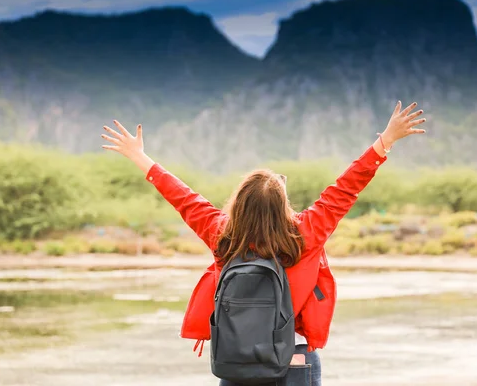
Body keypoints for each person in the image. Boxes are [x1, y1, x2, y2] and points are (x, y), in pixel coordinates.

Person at [101, 101, 426, 385]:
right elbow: (345, 188)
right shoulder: (305, 233)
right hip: (294, 358)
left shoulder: (222, 235)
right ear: (283, 204)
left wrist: (139, 157)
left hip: (235, 360)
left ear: (239, 202)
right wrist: (386, 140)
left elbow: (182, 197)